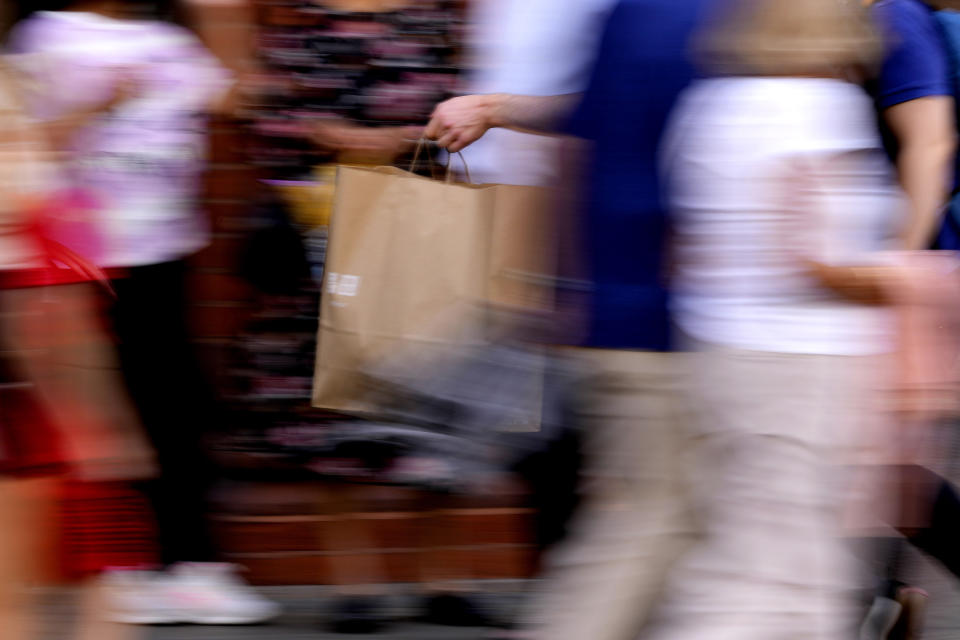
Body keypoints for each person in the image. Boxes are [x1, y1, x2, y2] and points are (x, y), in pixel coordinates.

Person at [427, 2, 713, 640]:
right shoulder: (667, 19)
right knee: (650, 514)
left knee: (649, 513)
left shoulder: (631, 17)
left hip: (617, 292)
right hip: (666, 306)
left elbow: (588, 129)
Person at [5, 0, 279, 625]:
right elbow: (22, 147)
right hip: (81, 259)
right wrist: (96, 105)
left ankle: (193, 568)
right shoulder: (44, 37)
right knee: (99, 420)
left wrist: (222, 22)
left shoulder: (166, 40)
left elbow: (236, 101)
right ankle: (121, 569)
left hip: (165, 254)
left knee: (178, 409)